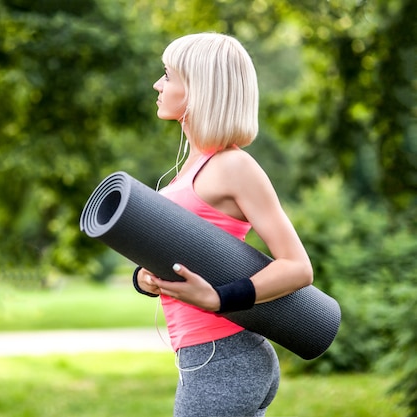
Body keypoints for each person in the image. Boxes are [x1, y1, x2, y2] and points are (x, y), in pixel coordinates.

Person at [132, 32, 314, 417]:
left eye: (168, 75)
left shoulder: (234, 166)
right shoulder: (194, 168)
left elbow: (297, 268)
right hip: (210, 357)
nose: (157, 84)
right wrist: (146, 278)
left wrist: (219, 299)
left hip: (223, 356)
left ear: (198, 88)